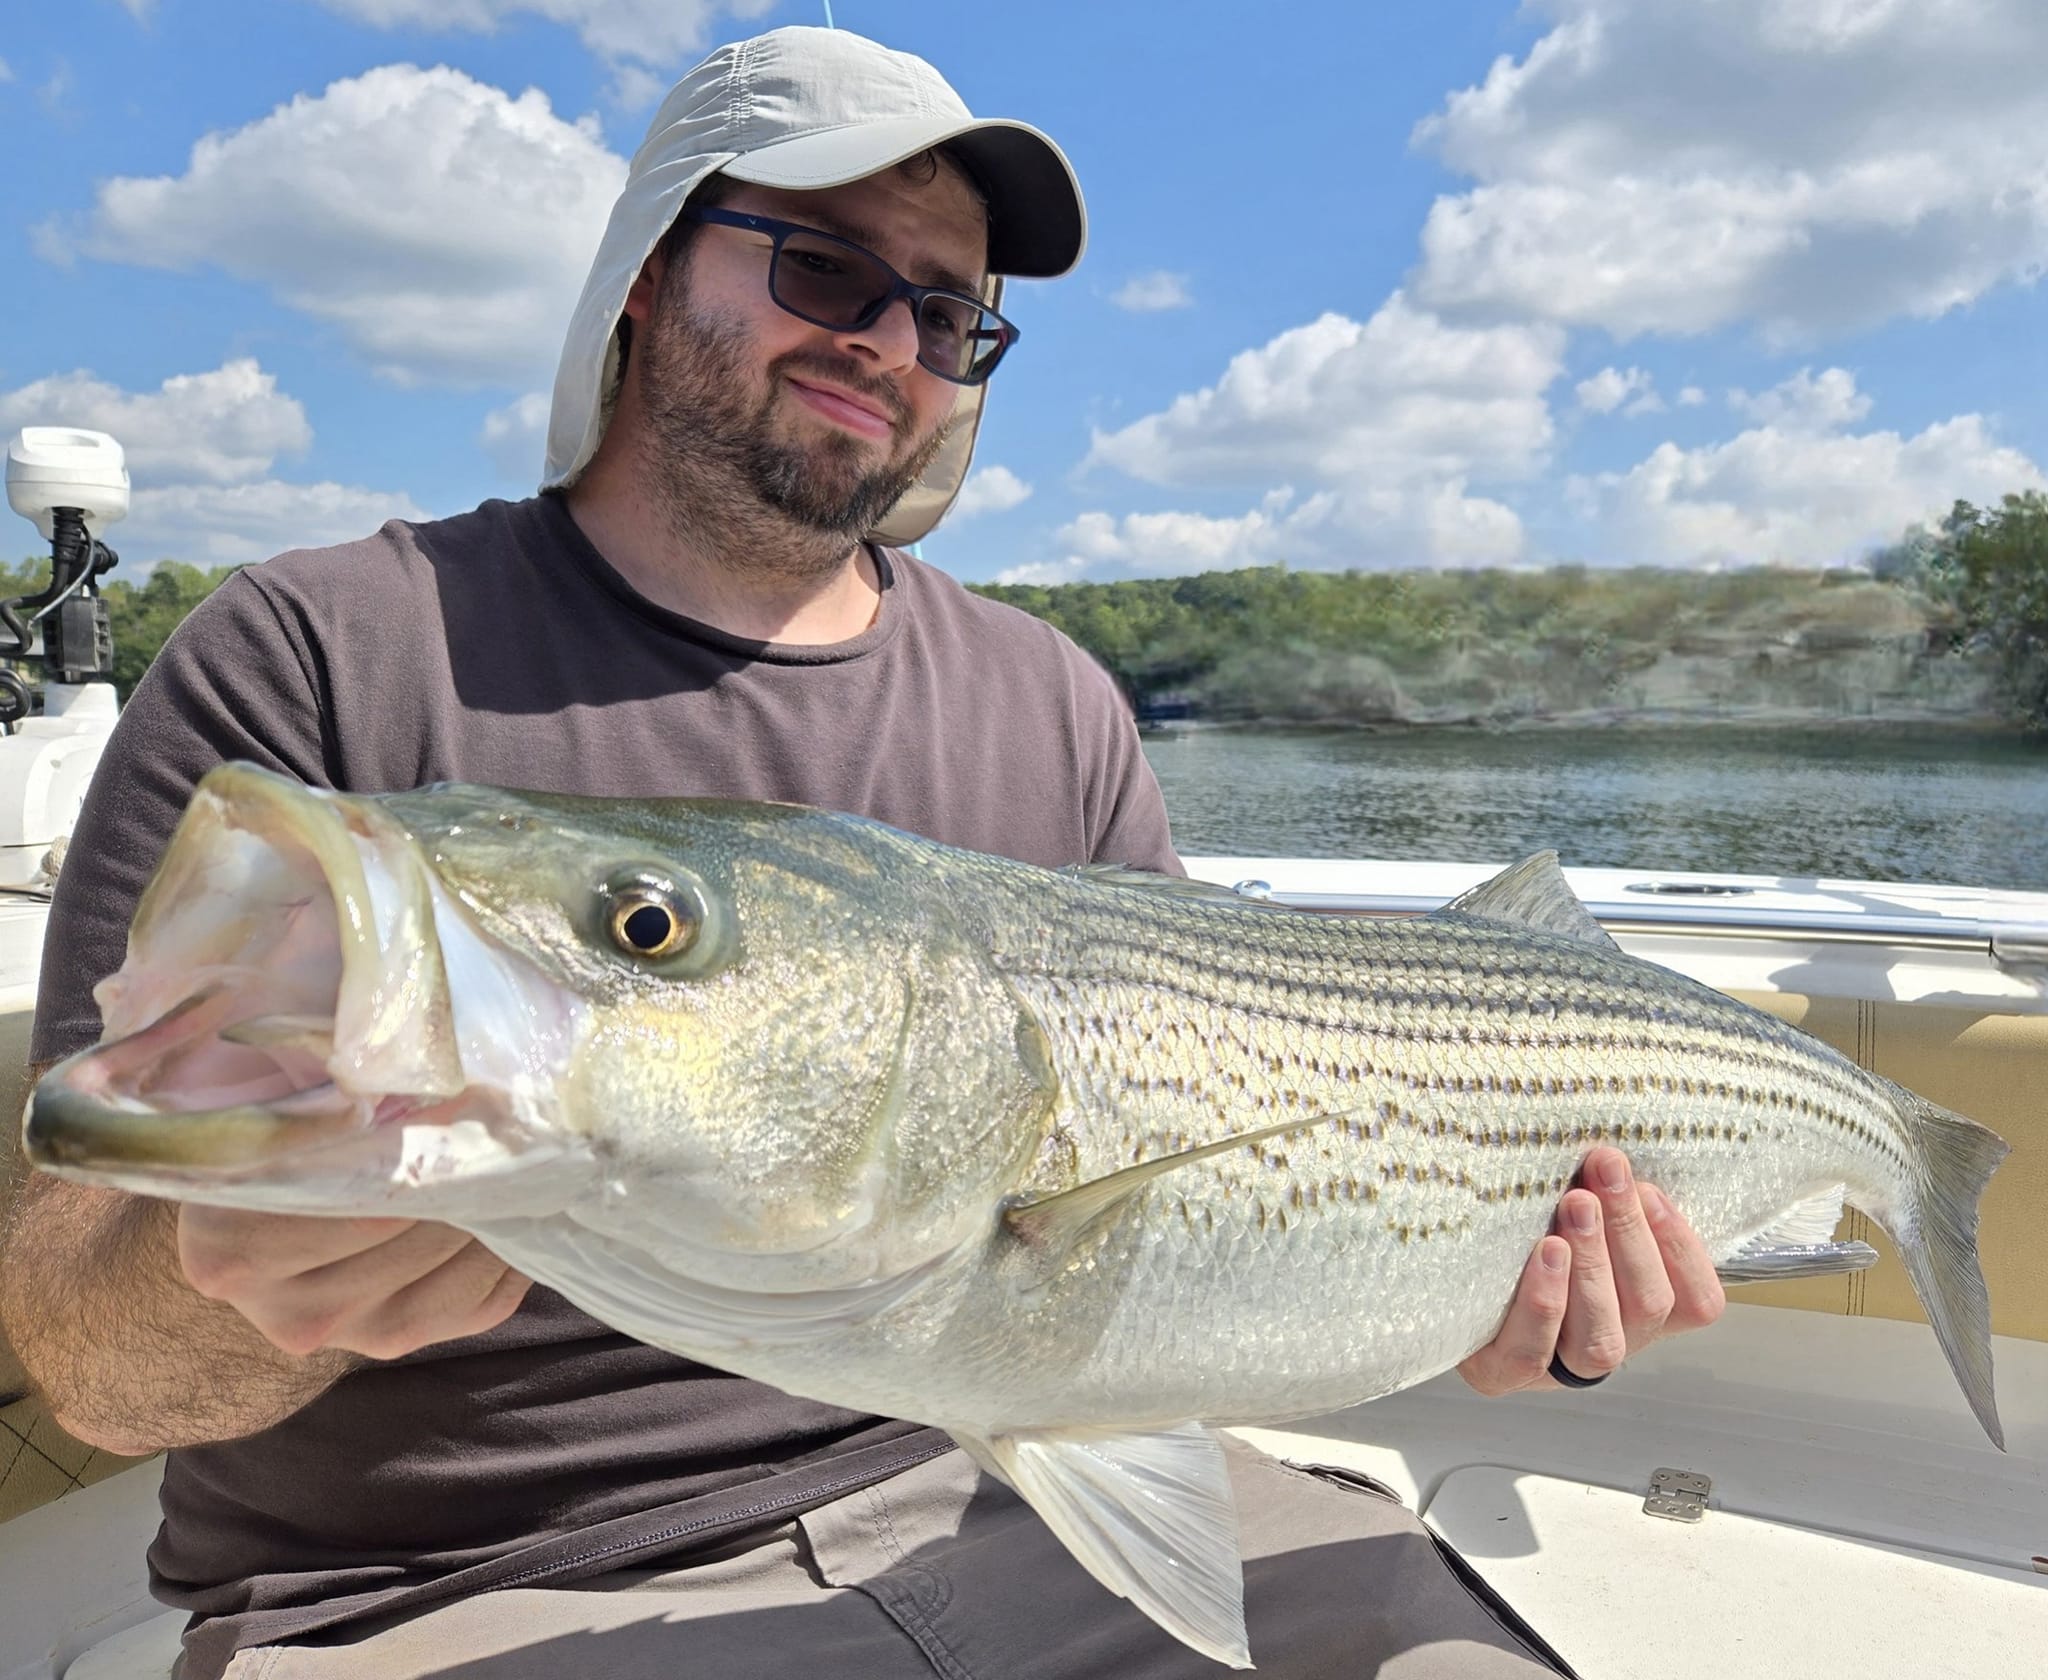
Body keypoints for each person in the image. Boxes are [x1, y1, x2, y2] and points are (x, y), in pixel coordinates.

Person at [0, 26, 1725, 1680]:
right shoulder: (317, 653)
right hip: (456, 1595)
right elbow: (86, 1363)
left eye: (948, 312)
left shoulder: (1051, 702)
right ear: (651, 270)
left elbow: (1185, 1205)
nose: (888, 341)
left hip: (1019, 1497)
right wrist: (230, 1291)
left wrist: (1487, 1301)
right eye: (822, 266)